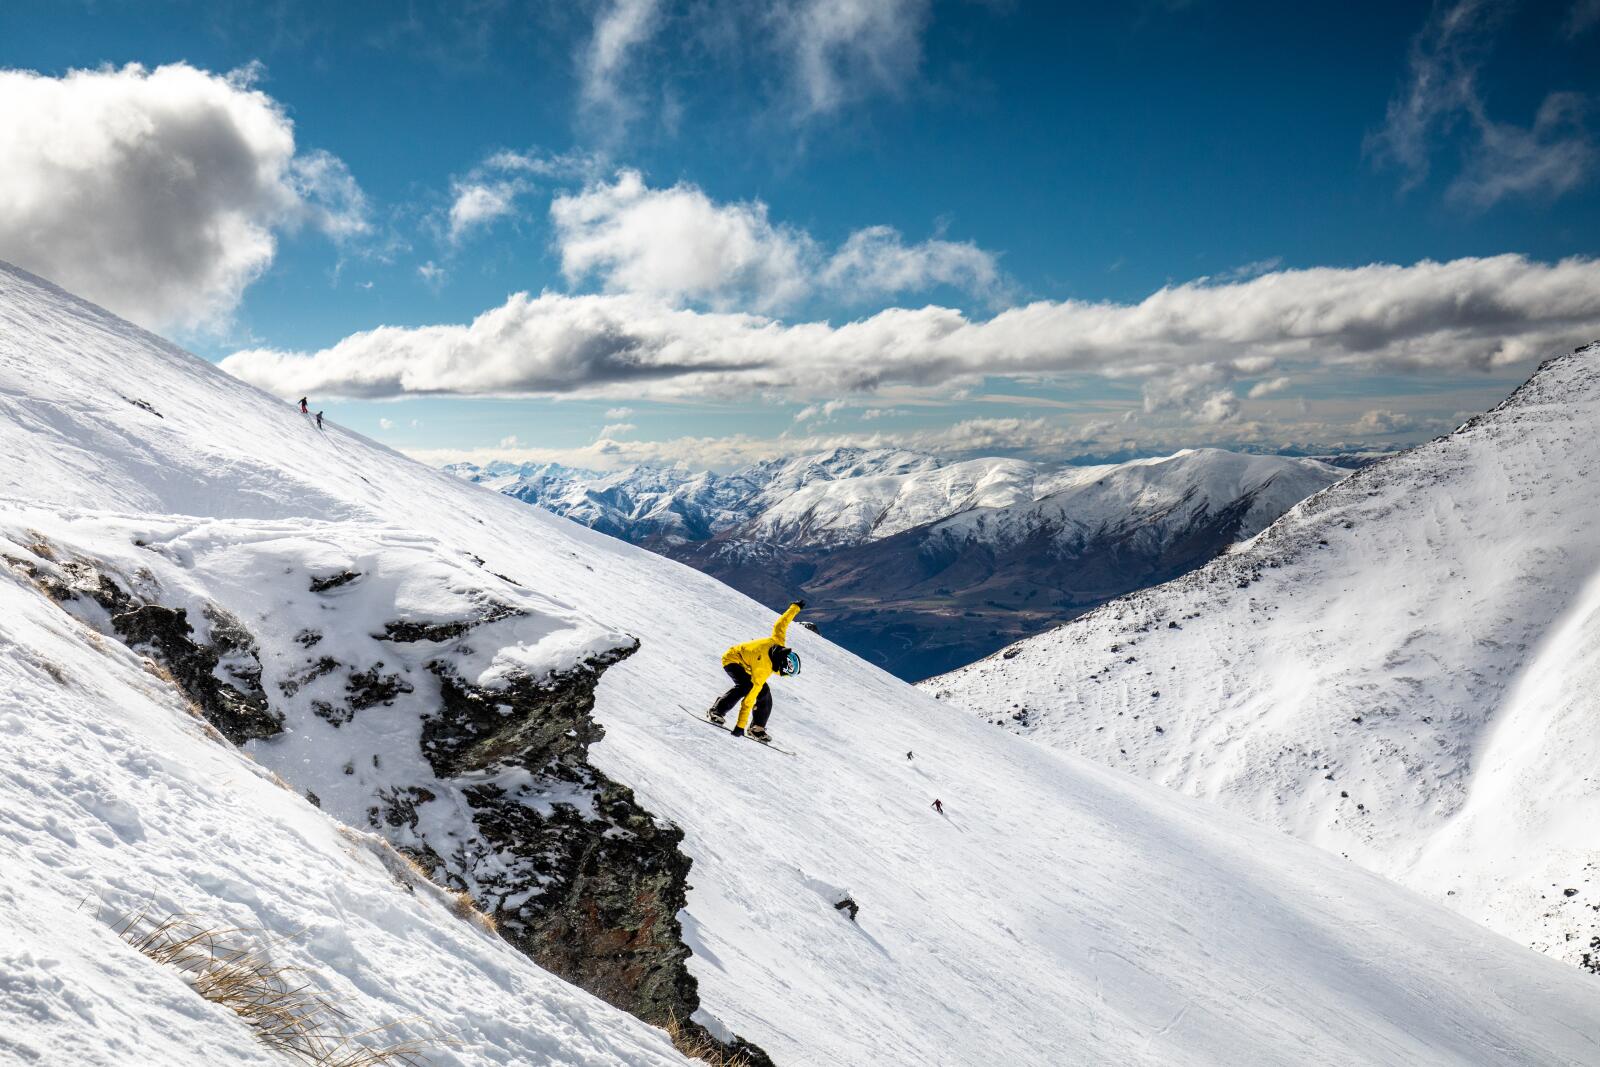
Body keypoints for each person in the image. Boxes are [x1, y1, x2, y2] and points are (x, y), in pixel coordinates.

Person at [708, 601, 805, 742]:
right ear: (782, 667)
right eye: (786, 673)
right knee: (746, 687)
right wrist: (740, 726)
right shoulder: (763, 669)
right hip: (732, 659)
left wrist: (795, 607)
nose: (784, 676)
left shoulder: (777, 642)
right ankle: (716, 711)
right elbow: (748, 701)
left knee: (764, 693)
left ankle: (757, 728)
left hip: (748, 664)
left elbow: (781, 623)